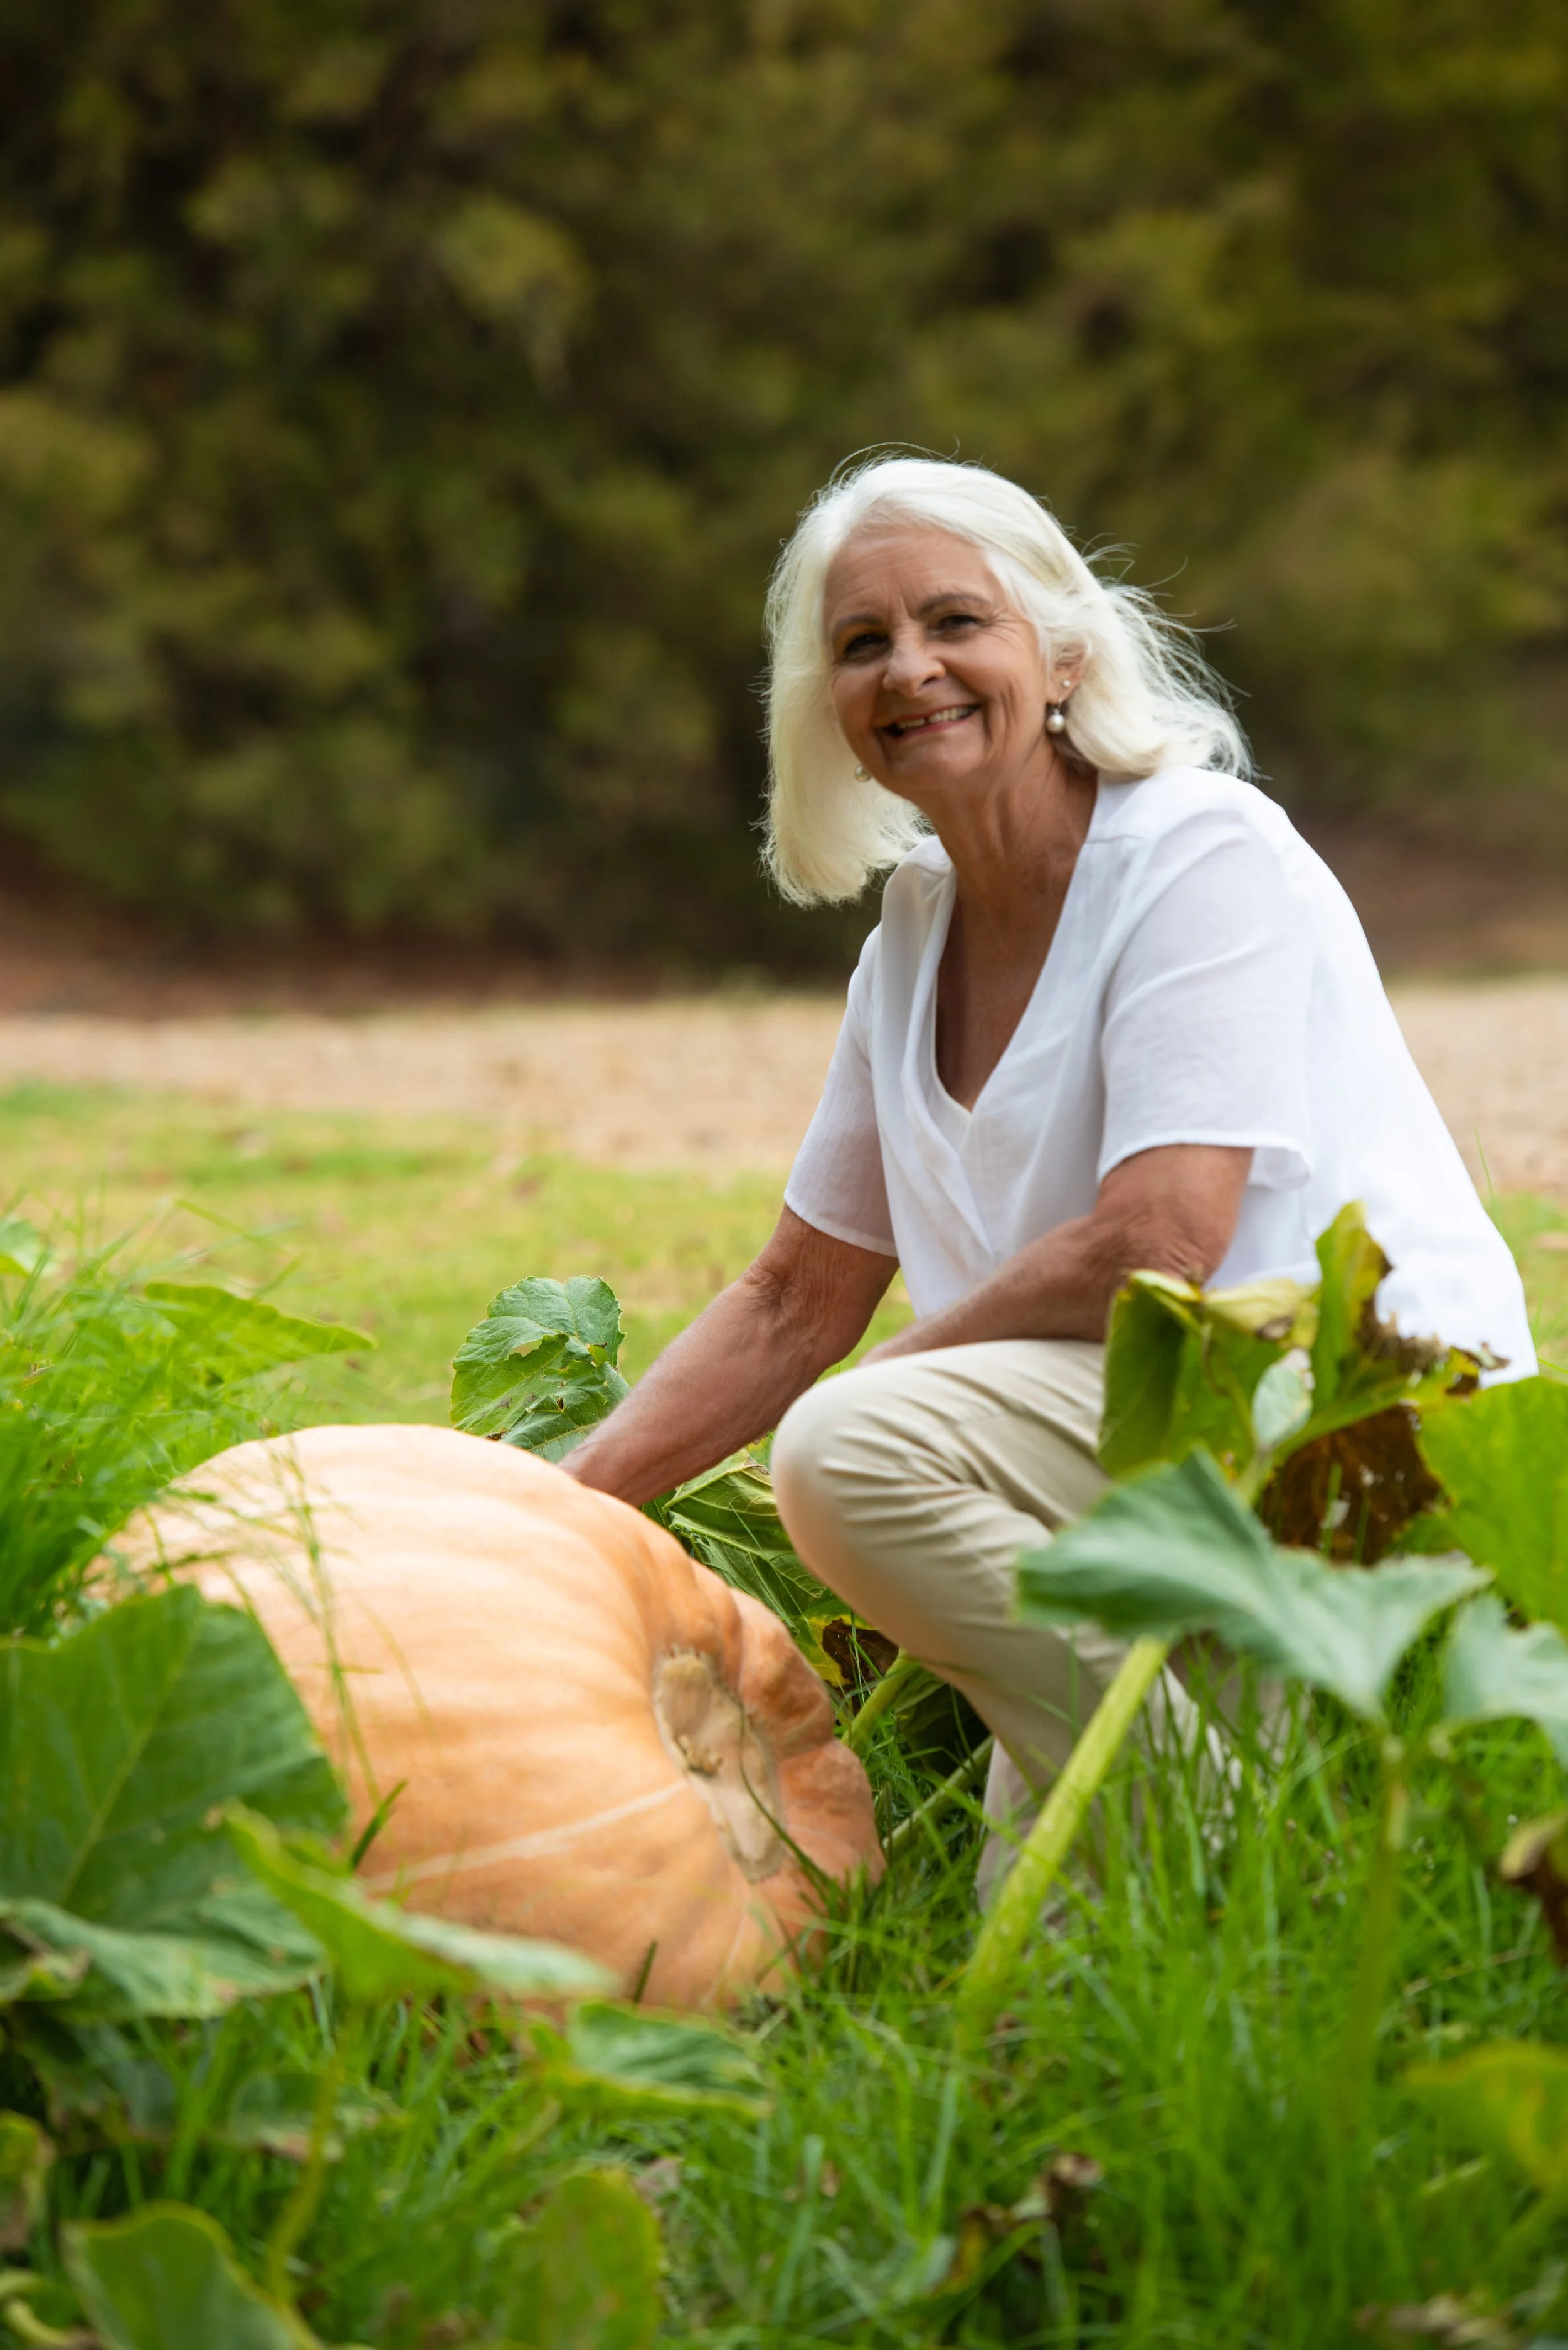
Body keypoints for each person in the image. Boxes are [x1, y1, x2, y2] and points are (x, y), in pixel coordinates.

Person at [565, 453, 1535, 1877]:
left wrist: (888, 1406)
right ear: (826, 712)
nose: (910, 669)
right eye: (861, 645)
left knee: (843, 1452)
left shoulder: (1196, 853)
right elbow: (792, 1297)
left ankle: (1216, 1821)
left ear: (1062, 653)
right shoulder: (910, 935)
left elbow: (1161, 1241)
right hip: (1151, 1456)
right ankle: (1228, 1806)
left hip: (1345, 1424)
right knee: (1062, 1997)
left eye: (955, 622)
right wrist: (545, 1506)